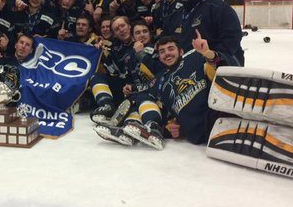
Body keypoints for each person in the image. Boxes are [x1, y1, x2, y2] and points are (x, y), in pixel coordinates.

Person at [95, 33, 229, 148]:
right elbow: (164, 110)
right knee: (142, 96)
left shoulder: (195, 59)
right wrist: (172, 129)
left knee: (144, 96)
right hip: (197, 133)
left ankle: (150, 128)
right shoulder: (161, 78)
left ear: (181, 52)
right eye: (162, 51)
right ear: (159, 57)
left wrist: (207, 53)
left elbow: (221, 70)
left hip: (219, 119)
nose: (167, 54)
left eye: (171, 49)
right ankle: (134, 128)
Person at [173, 0, 244, 65]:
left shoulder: (219, 8)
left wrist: (212, 56)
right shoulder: (182, 10)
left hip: (217, 64)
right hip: (188, 64)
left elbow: (232, 37)